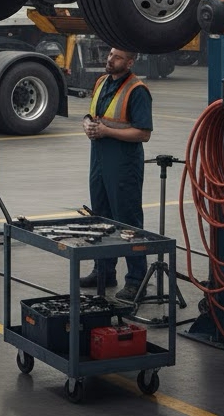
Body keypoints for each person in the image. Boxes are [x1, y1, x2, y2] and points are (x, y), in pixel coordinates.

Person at [80, 47, 153, 302]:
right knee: (101, 217)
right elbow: (93, 115)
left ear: (130, 62)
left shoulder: (137, 90)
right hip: (99, 159)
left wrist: (107, 132)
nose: (110, 60)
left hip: (123, 164)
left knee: (128, 222)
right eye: (110, 55)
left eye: (117, 57)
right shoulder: (101, 81)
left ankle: (136, 281)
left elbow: (143, 133)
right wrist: (87, 124)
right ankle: (104, 271)